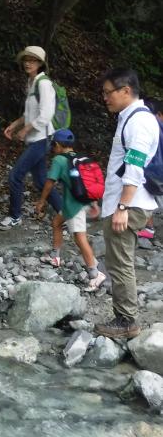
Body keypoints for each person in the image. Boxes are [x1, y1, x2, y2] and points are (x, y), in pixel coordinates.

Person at [95, 69, 160, 339]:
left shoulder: (138, 122)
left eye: (108, 92)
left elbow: (134, 166)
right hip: (126, 202)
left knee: (120, 263)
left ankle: (126, 321)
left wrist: (121, 207)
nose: (105, 98)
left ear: (126, 90)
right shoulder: (132, 118)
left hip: (130, 205)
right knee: (118, 261)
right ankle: (123, 317)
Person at [0, 46, 62, 230]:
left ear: (40, 63)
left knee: (15, 176)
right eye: (26, 59)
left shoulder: (44, 84)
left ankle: (15, 216)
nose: (28, 63)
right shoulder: (31, 82)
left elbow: (45, 115)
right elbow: (30, 113)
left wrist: (25, 130)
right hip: (35, 139)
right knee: (41, 181)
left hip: (42, 139)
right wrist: (15, 124)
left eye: (32, 60)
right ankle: (66, 214)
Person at [34, 128, 107, 291]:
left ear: (59, 144)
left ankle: (95, 274)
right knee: (57, 222)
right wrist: (94, 203)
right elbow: (87, 181)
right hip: (75, 204)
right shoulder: (81, 158)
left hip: (75, 207)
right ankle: (55, 256)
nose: (52, 149)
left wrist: (41, 201)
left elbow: (49, 182)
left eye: (53, 145)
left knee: (80, 238)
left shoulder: (59, 160)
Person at [137, 97, 163, 240]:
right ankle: (149, 227)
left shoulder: (152, 125)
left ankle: (149, 227)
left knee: (148, 196)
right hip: (157, 170)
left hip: (154, 171)